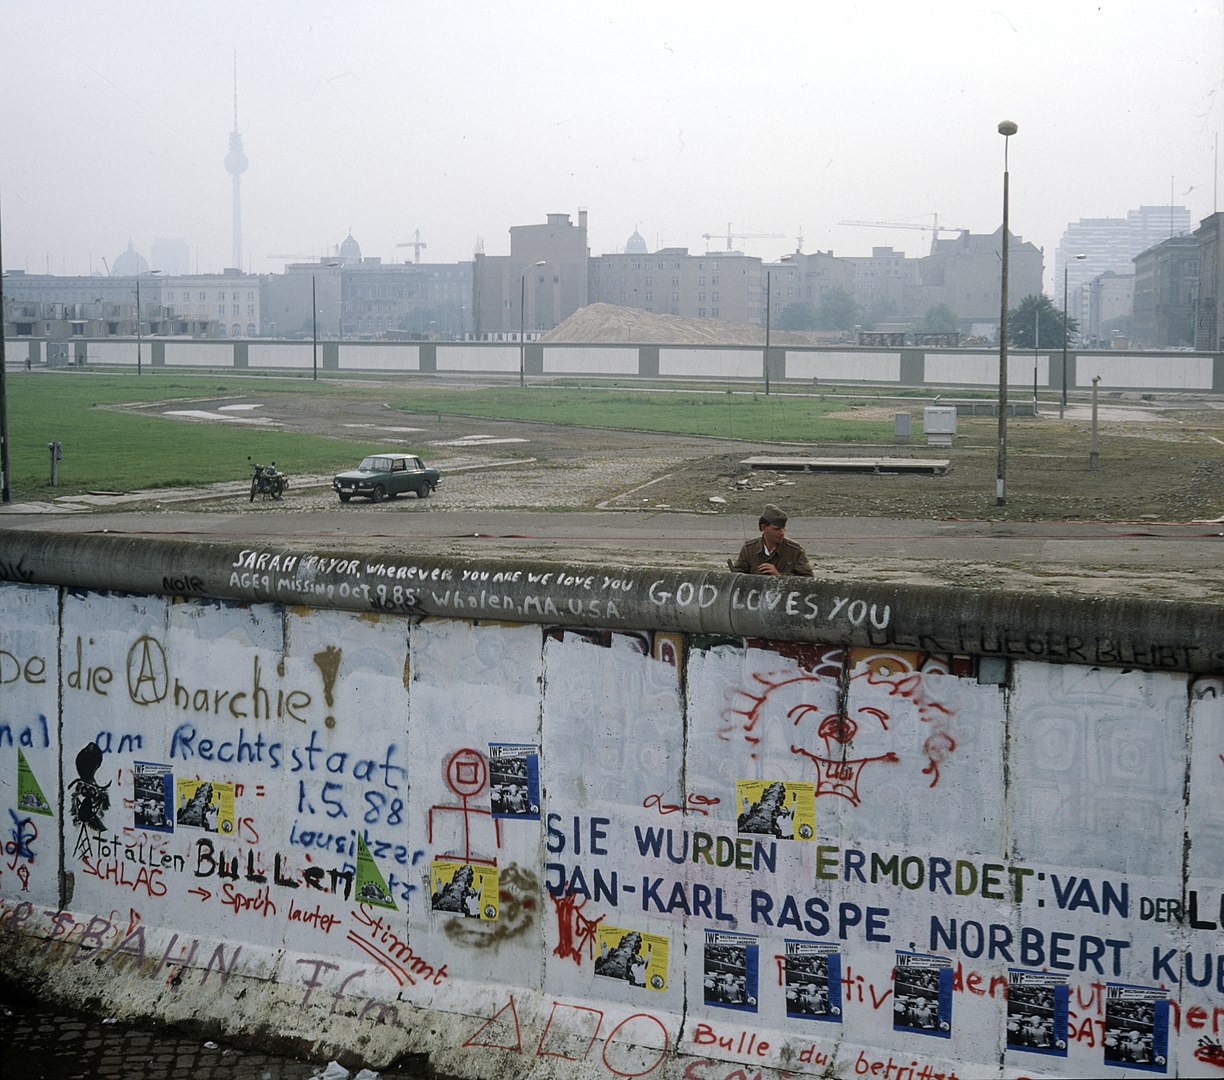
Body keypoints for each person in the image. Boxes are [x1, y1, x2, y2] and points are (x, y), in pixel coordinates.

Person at [731, 504, 814, 577]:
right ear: (763, 528)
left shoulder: (795, 551)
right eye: (776, 529)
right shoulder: (749, 549)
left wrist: (779, 576)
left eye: (783, 528)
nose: (782, 533)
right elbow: (737, 576)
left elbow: (808, 579)